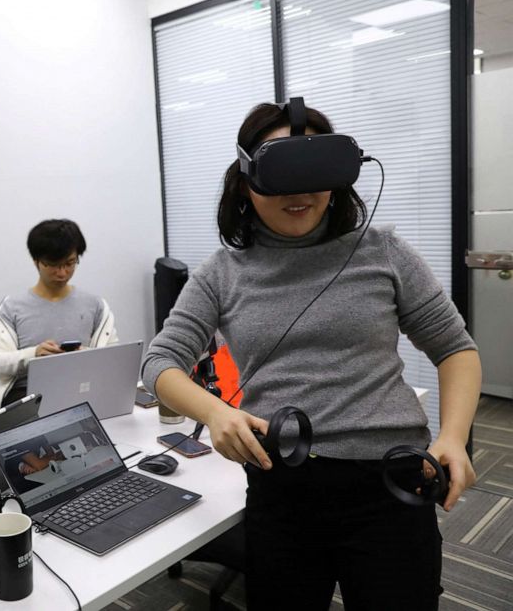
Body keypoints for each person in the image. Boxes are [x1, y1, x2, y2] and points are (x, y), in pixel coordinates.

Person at [142, 101, 481, 609]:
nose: (300, 193)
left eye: (315, 173)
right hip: (284, 492)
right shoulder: (221, 274)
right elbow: (159, 364)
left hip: (387, 489)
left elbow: (456, 348)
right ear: (245, 180)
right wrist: (215, 411)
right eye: (281, 173)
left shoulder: (383, 253)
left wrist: (453, 437)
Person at [0, 219, 118, 410]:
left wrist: (84, 356)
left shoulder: (96, 305)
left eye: (70, 263)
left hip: (82, 394)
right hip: (28, 398)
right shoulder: (12, 307)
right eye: (53, 265)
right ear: (36, 261)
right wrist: (33, 354)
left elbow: (113, 360)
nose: (62, 273)